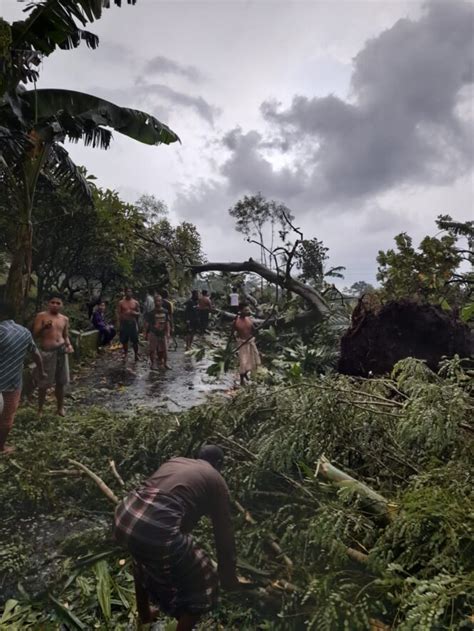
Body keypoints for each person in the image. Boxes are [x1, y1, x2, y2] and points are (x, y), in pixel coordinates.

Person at [113, 446, 243, 630]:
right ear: (219, 464)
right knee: (203, 581)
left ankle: (145, 616)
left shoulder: (176, 461)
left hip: (125, 514)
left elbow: (165, 504)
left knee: (143, 561)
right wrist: (228, 577)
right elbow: (224, 534)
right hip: (155, 526)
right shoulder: (216, 479)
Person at [0, 302, 46, 454]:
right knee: (7, 417)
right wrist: (41, 371)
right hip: (13, 382)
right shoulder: (24, 332)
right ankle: (1, 447)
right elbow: (36, 354)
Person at [33, 293, 74, 417]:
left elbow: (65, 335)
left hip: (61, 351)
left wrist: (69, 345)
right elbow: (35, 334)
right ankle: (40, 409)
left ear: (62, 305)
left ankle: (60, 408)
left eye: (58, 303)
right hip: (47, 352)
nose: (55, 305)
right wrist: (44, 327)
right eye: (53, 302)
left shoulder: (64, 319)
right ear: (48, 304)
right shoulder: (41, 316)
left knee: (61, 382)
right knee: (43, 383)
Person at [232, 304, 261, 386]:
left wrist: (256, 334)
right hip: (242, 343)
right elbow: (232, 333)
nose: (248, 312)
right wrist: (235, 342)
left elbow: (254, 330)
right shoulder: (236, 321)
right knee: (243, 362)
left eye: (248, 310)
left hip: (250, 342)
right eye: (246, 310)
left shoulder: (249, 320)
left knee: (253, 361)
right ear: (240, 311)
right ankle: (241, 380)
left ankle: (246, 373)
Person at [144, 295, 171, 369]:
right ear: (154, 302)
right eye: (156, 301)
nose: (157, 302)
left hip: (163, 333)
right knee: (152, 349)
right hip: (154, 332)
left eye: (159, 301)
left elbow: (167, 322)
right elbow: (147, 324)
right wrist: (145, 334)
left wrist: (168, 332)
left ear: (161, 302)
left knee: (164, 349)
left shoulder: (165, 311)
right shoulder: (151, 313)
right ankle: (153, 364)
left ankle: (165, 363)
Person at [117, 287, 141, 361]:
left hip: (132, 323)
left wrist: (135, 313)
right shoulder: (121, 302)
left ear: (132, 293)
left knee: (135, 340)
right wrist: (119, 325)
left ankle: (136, 355)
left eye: (130, 291)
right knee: (124, 340)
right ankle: (125, 354)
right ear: (125, 292)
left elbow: (139, 313)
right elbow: (118, 313)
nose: (128, 293)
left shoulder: (135, 302)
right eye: (127, 291)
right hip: (124, 323)